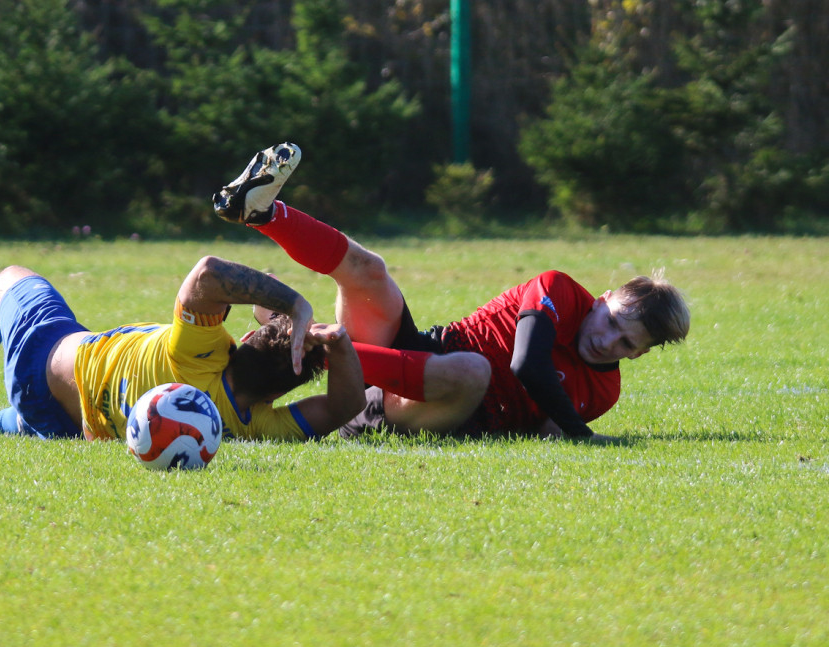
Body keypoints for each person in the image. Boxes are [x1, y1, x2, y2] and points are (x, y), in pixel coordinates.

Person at [213, 143, 691, 442]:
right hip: (423, 354)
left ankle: (302, 344)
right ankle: (260, 213)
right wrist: (585, 434)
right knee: (369, 269)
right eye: (610, 321)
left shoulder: (604, 389)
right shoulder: (559, 290)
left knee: (472, 371)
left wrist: (572, 433)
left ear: (639, 355)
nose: (608, 340)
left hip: (436, 409)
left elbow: (548, 433)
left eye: (626, 343)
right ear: (603, 298)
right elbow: (528, 362)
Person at [0, 254, 366, 442]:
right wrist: (338, 344)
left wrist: (295, 306)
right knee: (26, 422)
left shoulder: (199, 350)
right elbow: (344, 406)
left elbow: (208, 273)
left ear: (247, 341)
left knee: (9, 280)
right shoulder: (253, 425)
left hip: (46, 361)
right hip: (70, 425)